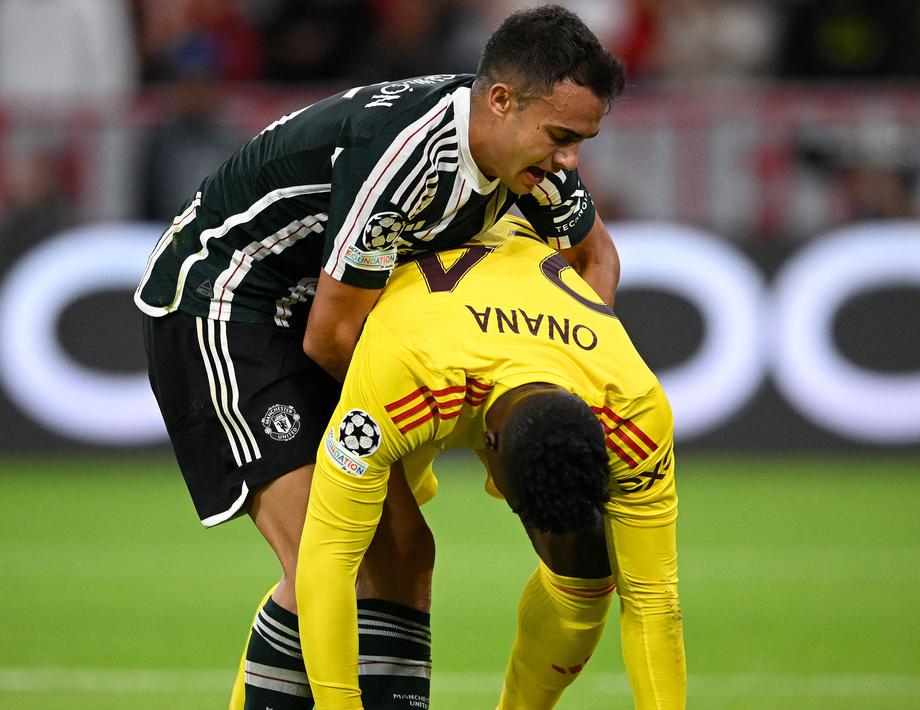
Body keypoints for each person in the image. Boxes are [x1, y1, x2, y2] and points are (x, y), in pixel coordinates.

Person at [134, 6, 626, 708]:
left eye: (582, 140)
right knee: (324, 557)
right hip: (223, 303)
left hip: (316, 307)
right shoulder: (408, 156)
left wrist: (568, 368)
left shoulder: (528, 149)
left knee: (402, 554)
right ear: (500, 101)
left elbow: (593, 254)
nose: (570, 160)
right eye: (561, 137)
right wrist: (436, 418)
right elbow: (331, 337)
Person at [296, 214, 686, 709]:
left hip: (485, 343)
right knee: (365, 552)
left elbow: (654, 600)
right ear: (491, 445)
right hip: (397, 329)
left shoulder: (635, 407)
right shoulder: (404, 377)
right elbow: (326, 558)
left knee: (587, 563)